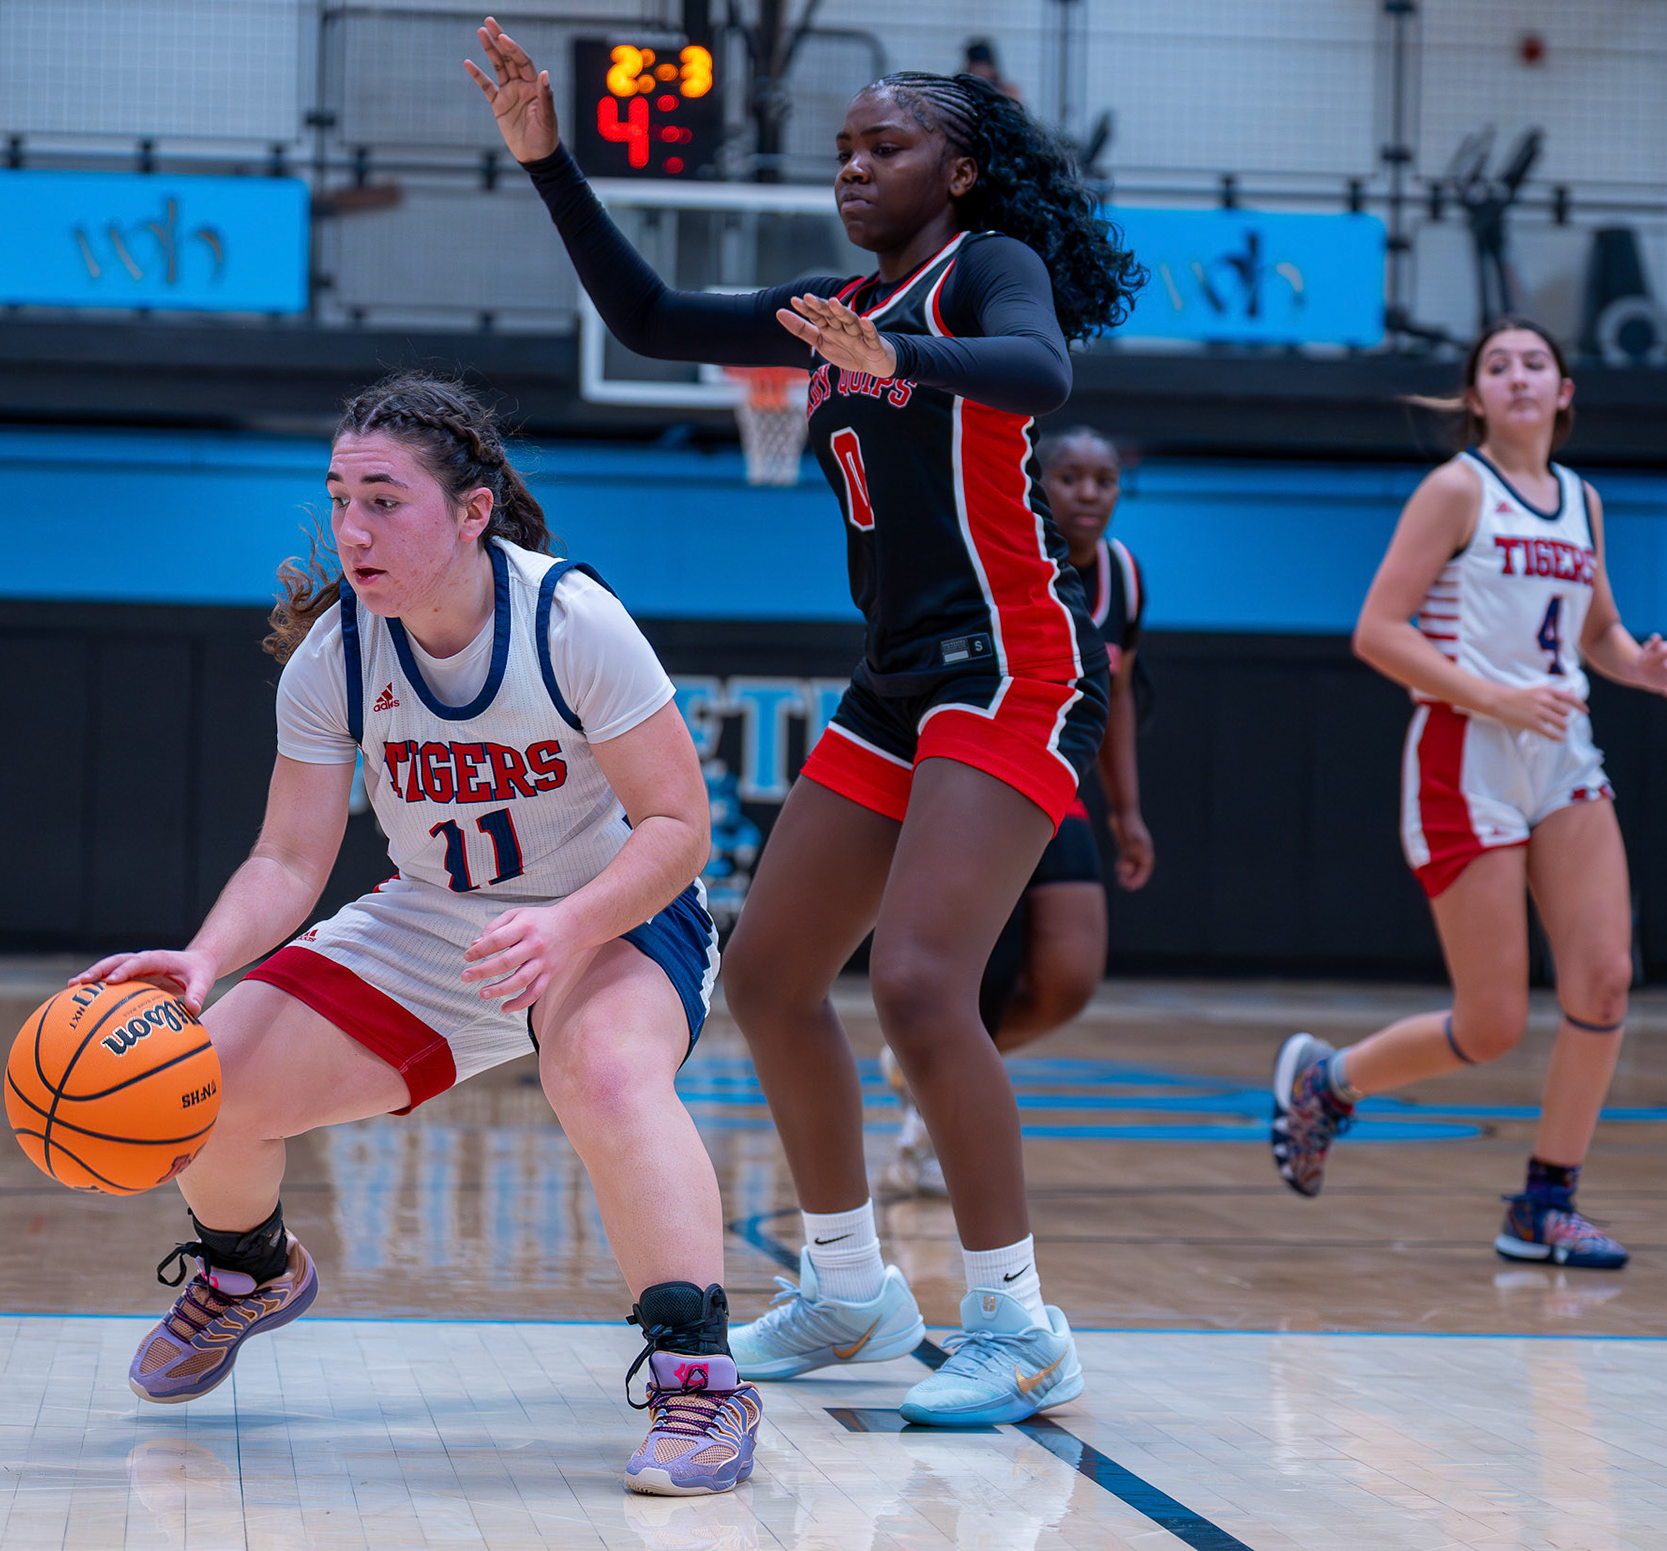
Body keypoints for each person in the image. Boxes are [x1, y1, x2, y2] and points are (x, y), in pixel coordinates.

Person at [468, 20, 1143, 1426]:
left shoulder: (986, 269)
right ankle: (848, 1286)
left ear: (958, 170)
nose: (853, 167)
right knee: (770, 976)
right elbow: (652, 319)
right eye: (842, 149)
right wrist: (549, 163)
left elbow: (1042, 374)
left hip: (1010, 661)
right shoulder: (827, 303)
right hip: (896, 674)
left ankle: (1019, 1322)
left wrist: (902, 354)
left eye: (885, 146)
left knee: (920, 985)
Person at [71, 373, 761, 1497]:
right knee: (198, 1080)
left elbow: (681, 829)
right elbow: (287, 858)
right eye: (340, 499)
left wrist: (568, 925)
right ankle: (249, 1271)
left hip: (610, 907)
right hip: (435, 916)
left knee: (601, 1073)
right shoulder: (337, 655)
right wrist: (203, 957)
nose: (353, 528)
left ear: (473, 511)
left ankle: (702, 1386)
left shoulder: (570, 622)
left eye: (384, 501)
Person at [1270, 319, 1667, 1268]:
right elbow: (1378, 630)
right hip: (1466, 754)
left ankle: (1546, 1201)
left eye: (1535, 362)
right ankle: (1330, 1082)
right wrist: (1495, 695)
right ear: (1476, 398)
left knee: (1606, 979)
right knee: (1492, 1022)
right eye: (1497, 366)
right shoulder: (1458, 488)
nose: (1518, 376)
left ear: (1565, 391)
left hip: (1562, 754)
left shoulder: (1582, 500)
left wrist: (1639, 663)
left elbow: (1598, 630)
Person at [883, 427, 1155, 1196]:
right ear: (1037, 481)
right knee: (983, 971)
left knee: (1070, 975)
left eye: (1104, 479)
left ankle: (920, 1061)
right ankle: (926, 1127)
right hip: (974, 776)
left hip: (1055, 783)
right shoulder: (994, 551)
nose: (1089, 493)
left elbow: (1117, 695)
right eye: (1070, 477)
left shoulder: (1125, 578)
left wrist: (1127, 809)